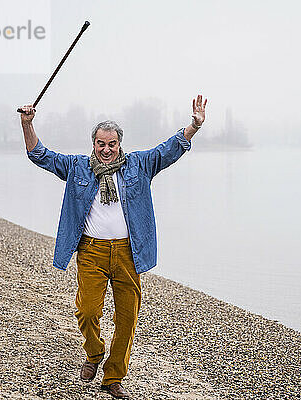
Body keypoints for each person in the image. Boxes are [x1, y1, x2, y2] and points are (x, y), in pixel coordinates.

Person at [19, 95, 207, 399]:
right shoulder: (77, 168)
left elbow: (168, 150)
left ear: (119, 144)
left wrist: (194, 127)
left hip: (128, 253)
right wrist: (27, 124)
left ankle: (113, 376)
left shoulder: (139, 165)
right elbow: (40, 155)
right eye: (100, 144)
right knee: (87, 310)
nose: (106, 150)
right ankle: (94, 353)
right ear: (93, 144)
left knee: (127, 317)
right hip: (91, 252)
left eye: (112, 144)